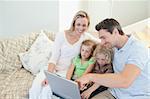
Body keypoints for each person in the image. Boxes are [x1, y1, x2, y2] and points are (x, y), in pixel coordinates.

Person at [29, 10, 99, 99]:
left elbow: (101, 43)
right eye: (78, 24)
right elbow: (53, 58)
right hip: (51, 68)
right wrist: (49, 76)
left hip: (66, 72)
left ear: (87, 26)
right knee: (36, 88)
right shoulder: (61, 35)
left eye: (84, 25)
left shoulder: (86, 37)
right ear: (74, 24)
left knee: (47, 91)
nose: (81, 28)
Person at [76, 18, 150, 99]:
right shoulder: (112, 47)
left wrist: (89, 77)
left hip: (136, 96)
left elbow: (125, 81)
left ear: (115, 32)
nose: (102, 42)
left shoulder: (138, 50)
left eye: (104, 38)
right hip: (114, 93)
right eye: (101, 39)